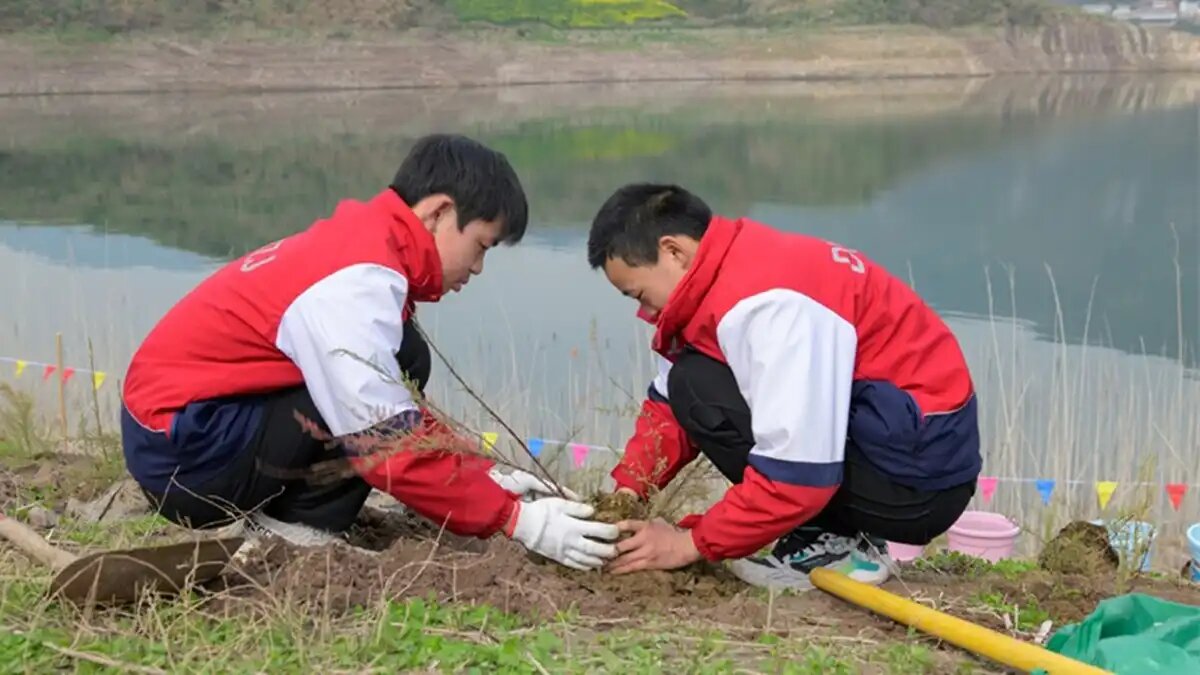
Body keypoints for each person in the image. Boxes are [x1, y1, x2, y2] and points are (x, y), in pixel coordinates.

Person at [120, 134, 619, 572]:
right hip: (185, 459)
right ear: (440, 212)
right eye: (481, 245)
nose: (479, 267)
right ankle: (292, 536)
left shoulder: (365, 247)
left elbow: (391, 408)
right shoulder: (356, 283)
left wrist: (486, 472)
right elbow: (384, 441)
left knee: (402, 357)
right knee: (359, 398)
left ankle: (287, 518)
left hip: (195, 433)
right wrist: (519, 521)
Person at [586, 183, 980, 590]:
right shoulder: (733, 272)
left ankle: (836, 542)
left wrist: (688, 544)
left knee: (699, 388)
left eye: (640, 294)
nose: (643, 312)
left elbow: (798, 474)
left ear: (673, 251)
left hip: (918, 484)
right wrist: (626, 493)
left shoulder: (770, 304)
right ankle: (827, 533)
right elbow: (670, 404)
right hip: (888, 443)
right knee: (693, 381)